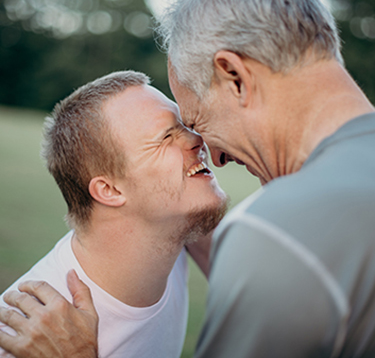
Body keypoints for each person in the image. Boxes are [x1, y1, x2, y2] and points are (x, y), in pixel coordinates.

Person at [1, 0, 375, 358]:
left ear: (234, 76)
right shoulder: (22, 332)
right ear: (108, 189)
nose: (213, 154)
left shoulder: (277, 235)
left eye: (195, 121)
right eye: (172, 133)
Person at [0, 70, 227, 357]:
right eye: (167, 136)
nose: (198, 138)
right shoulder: (31, 337)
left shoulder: (175, 227)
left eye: (186, 124)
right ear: (109, 190)